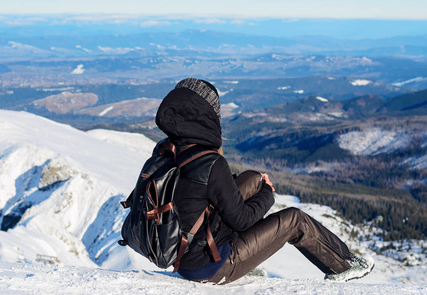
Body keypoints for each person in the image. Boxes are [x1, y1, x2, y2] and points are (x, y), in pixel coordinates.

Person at [155, 77, 374, 284]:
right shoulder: (210, 161)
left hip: (185, 255)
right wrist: (268, 194)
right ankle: (343, 266)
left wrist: (258, 184)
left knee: (253, 178)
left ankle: (256, 205)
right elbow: (241, 221)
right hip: (211, 265)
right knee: (295, 219)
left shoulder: (165, 149)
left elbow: (194, 195)